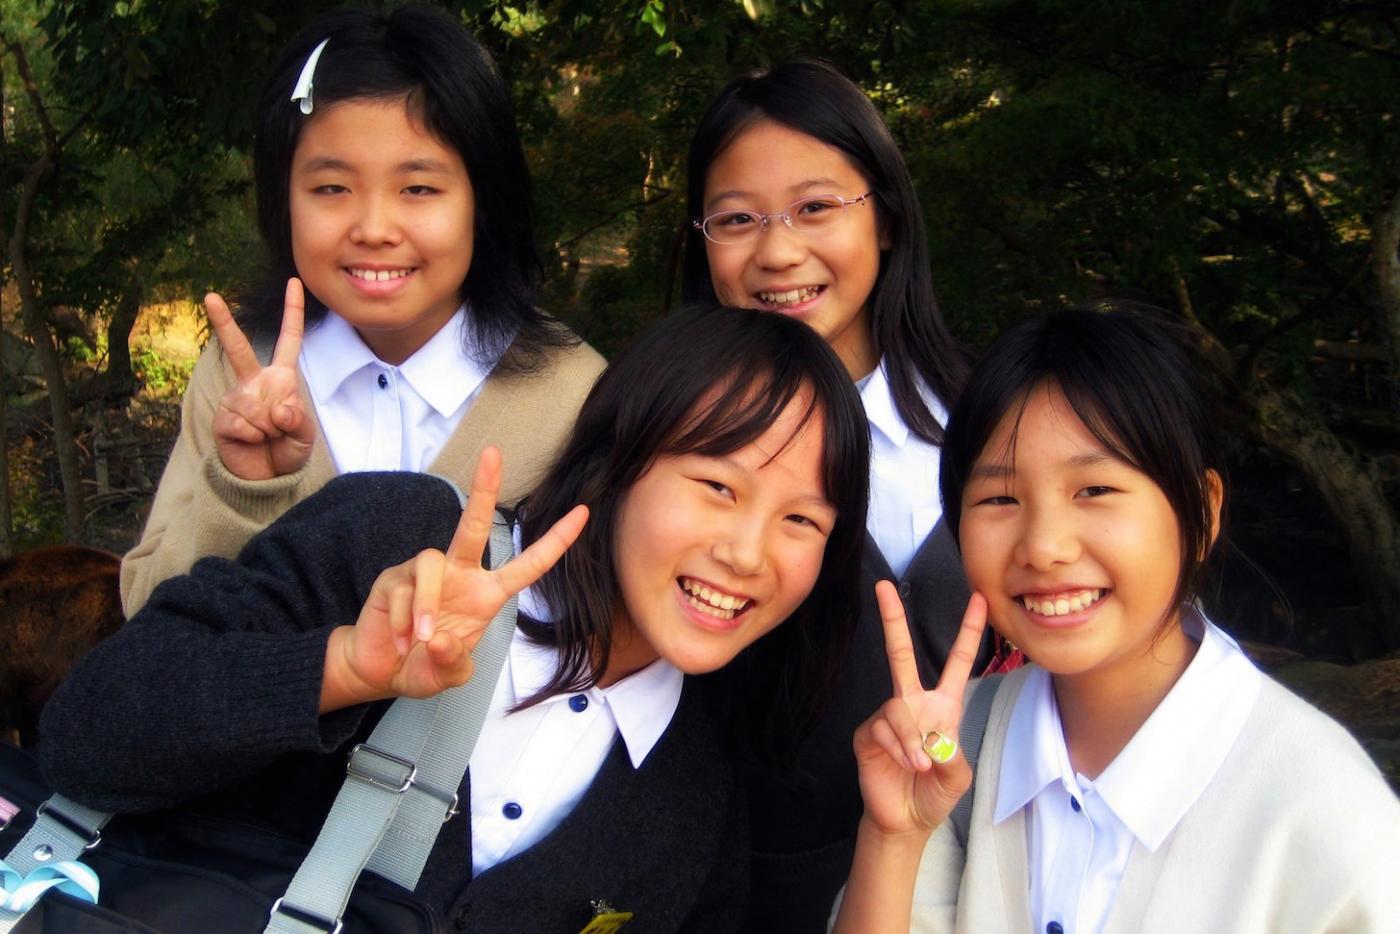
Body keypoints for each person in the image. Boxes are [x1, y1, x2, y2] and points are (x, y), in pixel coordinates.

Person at [40, 305, 871, 931]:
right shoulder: (399, 539)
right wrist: (339, 668)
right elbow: (88, 735)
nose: (748, 553)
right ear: (619, 460)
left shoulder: (699, 799)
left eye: (802, 520)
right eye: (719, 487)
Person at [835, 308, 1400, 933]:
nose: (1044, 547)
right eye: (999, 498)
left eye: (1094, 491)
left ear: (1203, 512)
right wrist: (894, 837)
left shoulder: (1325, 812)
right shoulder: (952, 744)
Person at [120, 6, 605, 614]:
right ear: (283, 200)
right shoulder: (242, 375)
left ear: (483, 201)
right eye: (332, 188)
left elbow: (599, 630)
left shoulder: (576, 399)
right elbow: (147, 615)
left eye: (419, 188)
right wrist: (243, 493)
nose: (374, 228)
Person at [682, 60, 988, 927]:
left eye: (815, 207)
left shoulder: (995, 431)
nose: (778, 251)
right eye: (736, 219)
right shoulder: (671, 446)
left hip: (1005, 876)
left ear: (885, 216)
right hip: (770, 897)